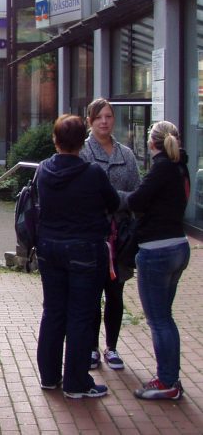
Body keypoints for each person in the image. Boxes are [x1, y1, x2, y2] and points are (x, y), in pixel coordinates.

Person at [36, 115, 119, 398]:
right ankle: (76, 383)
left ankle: (49, 376)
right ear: (82, 141)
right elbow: (114, 202)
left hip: (49, 249)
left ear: (55, 140)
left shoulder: (44, 170)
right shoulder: (93, 173)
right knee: (81, 315)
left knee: (53, 312)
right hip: (84, 249)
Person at [127, 121, 190, 400]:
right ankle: (171, 377)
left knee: (158, 320)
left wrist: (114, 196)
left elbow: (137, 201)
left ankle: (167, 381)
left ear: (152, 143)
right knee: (166, 317)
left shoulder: (161, 168)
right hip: (179, 246)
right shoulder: (179, 166)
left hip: (156, 250)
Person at [79, 98, 140, 371]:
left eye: (108, 116)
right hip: (92, 235)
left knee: (115, 294)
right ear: (89, 121)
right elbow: (83, 195)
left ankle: (111, 347)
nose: (104, 121)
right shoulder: (82, 153)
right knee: (91, 295)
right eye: (98, 117)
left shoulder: (126, 154)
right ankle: (91, 348)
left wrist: (115, 200)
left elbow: (138, 196)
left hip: (120, 237)